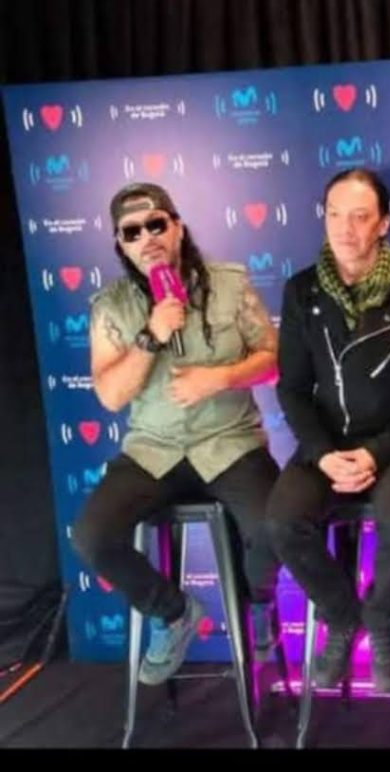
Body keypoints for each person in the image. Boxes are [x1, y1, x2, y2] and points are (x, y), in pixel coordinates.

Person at [73, 182, 282, 685]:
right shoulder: (111, 306)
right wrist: (152, 334)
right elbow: (110, 396)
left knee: (275, 526)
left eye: (156, 224)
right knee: (92, 536)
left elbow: (274, 361)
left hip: (230, 442)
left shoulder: (229, 284)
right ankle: (173, 613)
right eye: (132, 232)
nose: (146, 238)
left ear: (177, 228)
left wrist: (222, 377)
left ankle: (259, 603)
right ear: (121, 244)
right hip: (154, 450)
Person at [267, 168, 390, 693]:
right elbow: (292, 388)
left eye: (359, 216)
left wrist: (376, 453)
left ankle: (383, 619)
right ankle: (342, 616)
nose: (344, 229)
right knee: (282, 521)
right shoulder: (301, 290)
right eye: (334, 215)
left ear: (384, 223)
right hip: (326, 445)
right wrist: (323, 453)